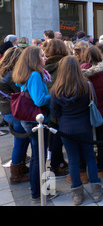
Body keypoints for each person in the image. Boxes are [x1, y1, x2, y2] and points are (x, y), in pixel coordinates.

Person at [50, 56, 103, 205]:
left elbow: (55, 113)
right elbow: (95, 103)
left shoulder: (56, 89)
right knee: (89, 157)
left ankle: (77, 195)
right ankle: (96, 191)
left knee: (73, 160)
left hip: (66, 128)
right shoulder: (87, 85)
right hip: (85, 126)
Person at [12, 46, 55, 203]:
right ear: (34, 59)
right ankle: (37, 193)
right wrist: (52, 94)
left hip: (28, 120)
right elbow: (39, 100)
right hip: (36, 121)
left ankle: (37, 190)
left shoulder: (25, 73)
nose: (45, 58)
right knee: (39, 157)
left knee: (37, 156)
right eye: (42, 56)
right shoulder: (36, 74)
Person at [80, 45, 103, 182]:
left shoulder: (81, 71)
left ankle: (83, 173)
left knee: (83, 141)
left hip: (85, 111)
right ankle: (101, 171)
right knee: (102, 141)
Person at [0, 47, 30, 184]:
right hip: (15, 112)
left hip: (8, 112)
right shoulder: (12, 75)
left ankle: (20, 168)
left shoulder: (3, 72)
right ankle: (16, 174)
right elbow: (22, 92)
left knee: (21, 141)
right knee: (20, 142)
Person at [44, 39, 69, 177]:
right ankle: (56, 165)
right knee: (58, 138)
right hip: (62, 104)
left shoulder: (44, 64)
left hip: (49, 105)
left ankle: (58, 162)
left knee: (54, 136)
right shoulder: (65, 64)